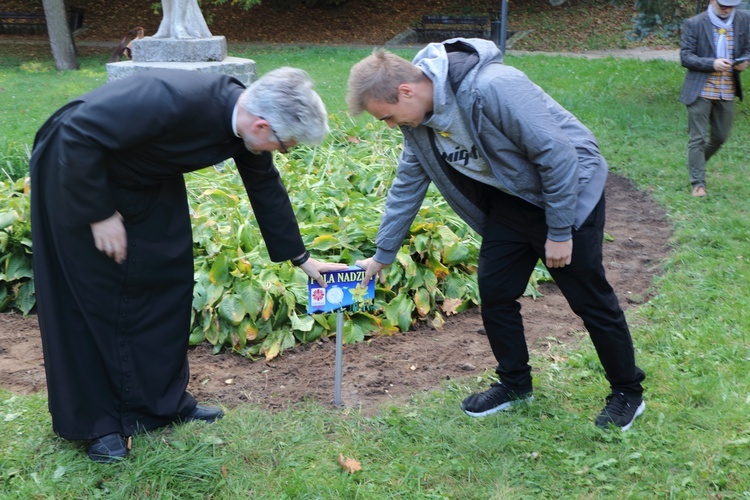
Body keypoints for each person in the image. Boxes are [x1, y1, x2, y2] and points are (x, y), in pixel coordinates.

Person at [30, 67, 347, 463]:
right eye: (284, 146)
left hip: (144, 175)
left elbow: (264, 185)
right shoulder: (173, 99)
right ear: (263, 125)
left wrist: (302, 258)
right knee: (90, 300)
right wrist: (99, 213)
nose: (279, 153)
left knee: (168, 280)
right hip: (76, 171)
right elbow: (76, 132)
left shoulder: (245, 125)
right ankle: (99, 425)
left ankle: (162, 405)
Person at [347, 39, 646, 431]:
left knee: (589, 298)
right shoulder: (418, 125)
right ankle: (515, 383)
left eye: (386, 116)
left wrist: (559, 230)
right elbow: (407, 184)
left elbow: (557, 154)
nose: (389, 125)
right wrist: (382, 255)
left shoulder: (493, 86)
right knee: (496, 291)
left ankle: (627, 391)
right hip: (513, 201)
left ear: (406, 91)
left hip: (568, 191)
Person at [679, 0, 750, 197]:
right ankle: (698, 183)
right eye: (723, 4)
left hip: (726, 89)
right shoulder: (695, 23)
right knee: (698, 138)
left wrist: (745, 61)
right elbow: (685, 57)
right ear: (712, 1)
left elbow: (748, 48)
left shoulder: (744, 19)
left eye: (731, 4)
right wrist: (712, 63)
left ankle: (696, 163)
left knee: (721, 136)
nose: (727, 8)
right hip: (700, 89)